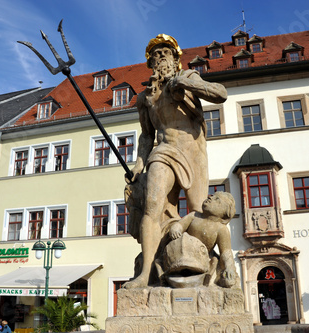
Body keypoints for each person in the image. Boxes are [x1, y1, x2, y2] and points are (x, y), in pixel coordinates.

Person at [124, 34, 227, 289]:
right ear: (150, 63)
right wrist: (139, 163)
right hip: (165, 150)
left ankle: (207, 272)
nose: (160, 57)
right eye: (155, 55)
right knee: (152, 208)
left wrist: (186, 83)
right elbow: (147, 135)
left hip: (193, 153)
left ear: (175, 59)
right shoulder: (145, 97)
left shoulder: (189, 77)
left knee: (200, 213)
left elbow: (221, 94)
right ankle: (146, 273)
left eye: (165, 53)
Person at [169, 191, 238, 287]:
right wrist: (176, 229)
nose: (210, 197)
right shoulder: (194, 216)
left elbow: (226, 252)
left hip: (201, 260)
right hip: (182, 254)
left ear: (224, 212)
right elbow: (179, 224)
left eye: (217, 200)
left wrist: (229, 267)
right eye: (212, 195)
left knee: (227, 280)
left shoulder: (221, 229)